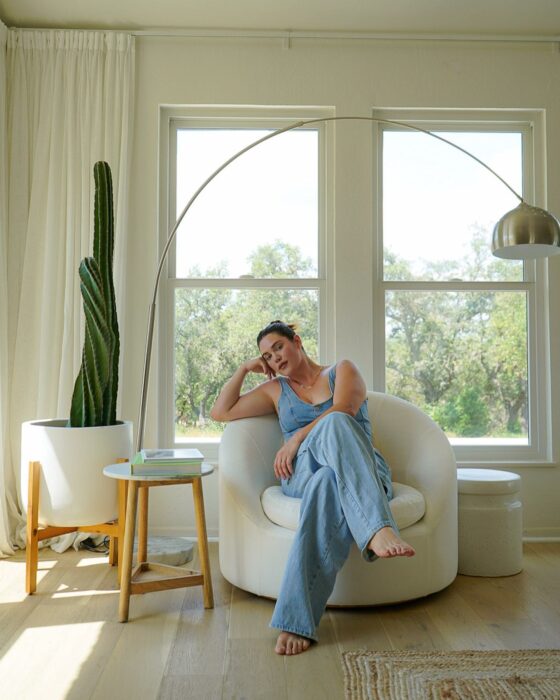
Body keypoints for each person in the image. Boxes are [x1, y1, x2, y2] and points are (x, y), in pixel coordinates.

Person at [210, 320, 415, 656]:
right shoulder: (276, 390)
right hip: (300, 474)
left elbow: (344, 410)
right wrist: (245, 369)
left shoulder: (342, 370)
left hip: (360, 471)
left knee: (330, 468)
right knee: (319, 474)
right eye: (266, 356)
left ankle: (296, 621)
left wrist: (296, 439)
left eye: (278, 347)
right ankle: (377, 529)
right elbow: (222, 412)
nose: (274, 358)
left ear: (297, 341)